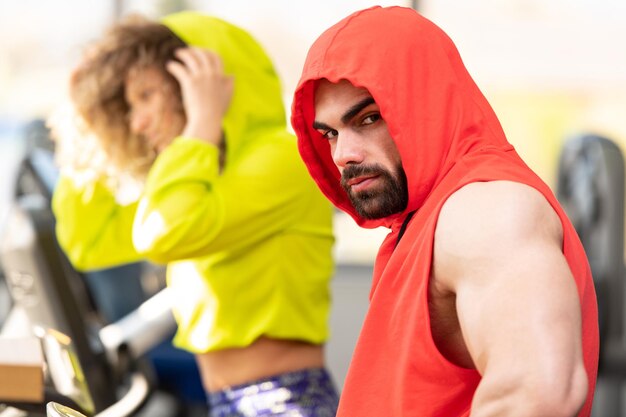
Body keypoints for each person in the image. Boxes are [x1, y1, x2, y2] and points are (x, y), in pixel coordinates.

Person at [291, 6, 599, 417]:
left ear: (425, 103)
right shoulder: (430, 218)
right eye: (330, 133)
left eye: (369, 118)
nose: (343, 155)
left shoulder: (486, 208)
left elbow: (536, 394)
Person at [50, 11, 339, 416]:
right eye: (130, 106)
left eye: (147, 96)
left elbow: (164, 235)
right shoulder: (199, 177)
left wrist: (201, 121)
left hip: (281, 399)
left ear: (201, 85)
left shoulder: (283, 159)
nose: (137, 121)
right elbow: (89, 242)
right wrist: (86, 125)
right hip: (230, 402)